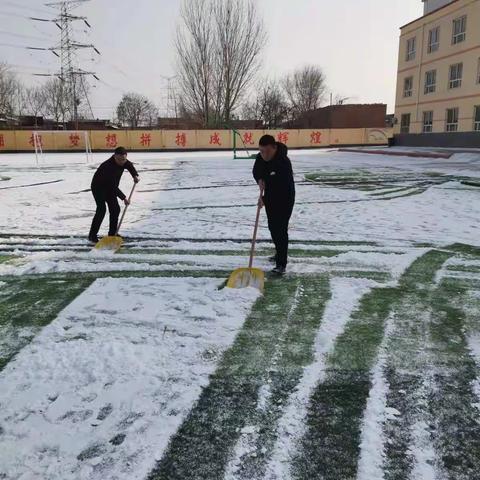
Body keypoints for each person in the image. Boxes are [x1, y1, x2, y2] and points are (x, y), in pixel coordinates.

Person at [252, 135, 295, 275]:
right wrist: (259, 179)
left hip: (284, 198)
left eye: (267, 151)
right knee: (272, 227)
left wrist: (264, 199)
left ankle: (281, 263)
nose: (264, 155)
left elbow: (280, 187)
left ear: (275, 147)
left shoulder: (283, 162)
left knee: (280, 229)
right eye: (262, 151)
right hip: (270, 196)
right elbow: (256, 169)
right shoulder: (261, 157)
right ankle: (279, 252)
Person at [88, 146, 139, 243]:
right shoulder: (108, 166)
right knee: (101, 210)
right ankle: (92, 235)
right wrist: (124, 198)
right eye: (119, 160)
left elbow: (129, 165)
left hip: (110, 188)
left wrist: (134, 175)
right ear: (114, 156)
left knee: (115, 209)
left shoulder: (124, 161)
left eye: (123, 159)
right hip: (99, 188)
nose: (122, 162)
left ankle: (112, 233)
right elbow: (112, 186)